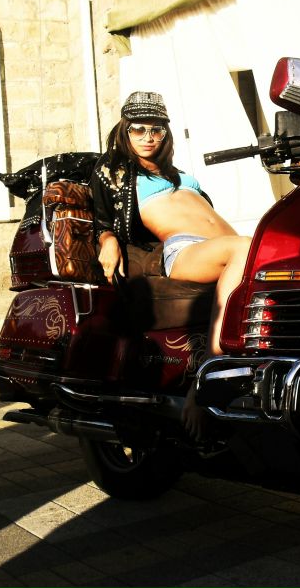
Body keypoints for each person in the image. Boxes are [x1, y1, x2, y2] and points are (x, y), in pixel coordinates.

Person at [91, 91, 251, 439]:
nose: (148, 137)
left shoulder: (179, 175)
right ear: (124, 131)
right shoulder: (114, 170)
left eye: (156, 129)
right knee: (244, 247)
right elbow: (101, 217)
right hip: (186, 250)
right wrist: (107, 240)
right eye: (138, 129)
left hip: (222, 247)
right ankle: (208, 372)